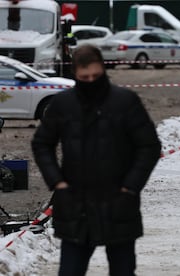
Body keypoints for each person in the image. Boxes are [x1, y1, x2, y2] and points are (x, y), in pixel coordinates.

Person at [31, 44, 161, 276]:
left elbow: (149, 146)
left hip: (119, 203)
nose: (91, 81)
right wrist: (57, 182)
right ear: (75, 75)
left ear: (103, 68)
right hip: (75, 204)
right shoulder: (63, 104)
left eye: (96, 76)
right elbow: (41, 143)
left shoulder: (125, 101)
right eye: (84, 77)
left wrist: (130, 186)